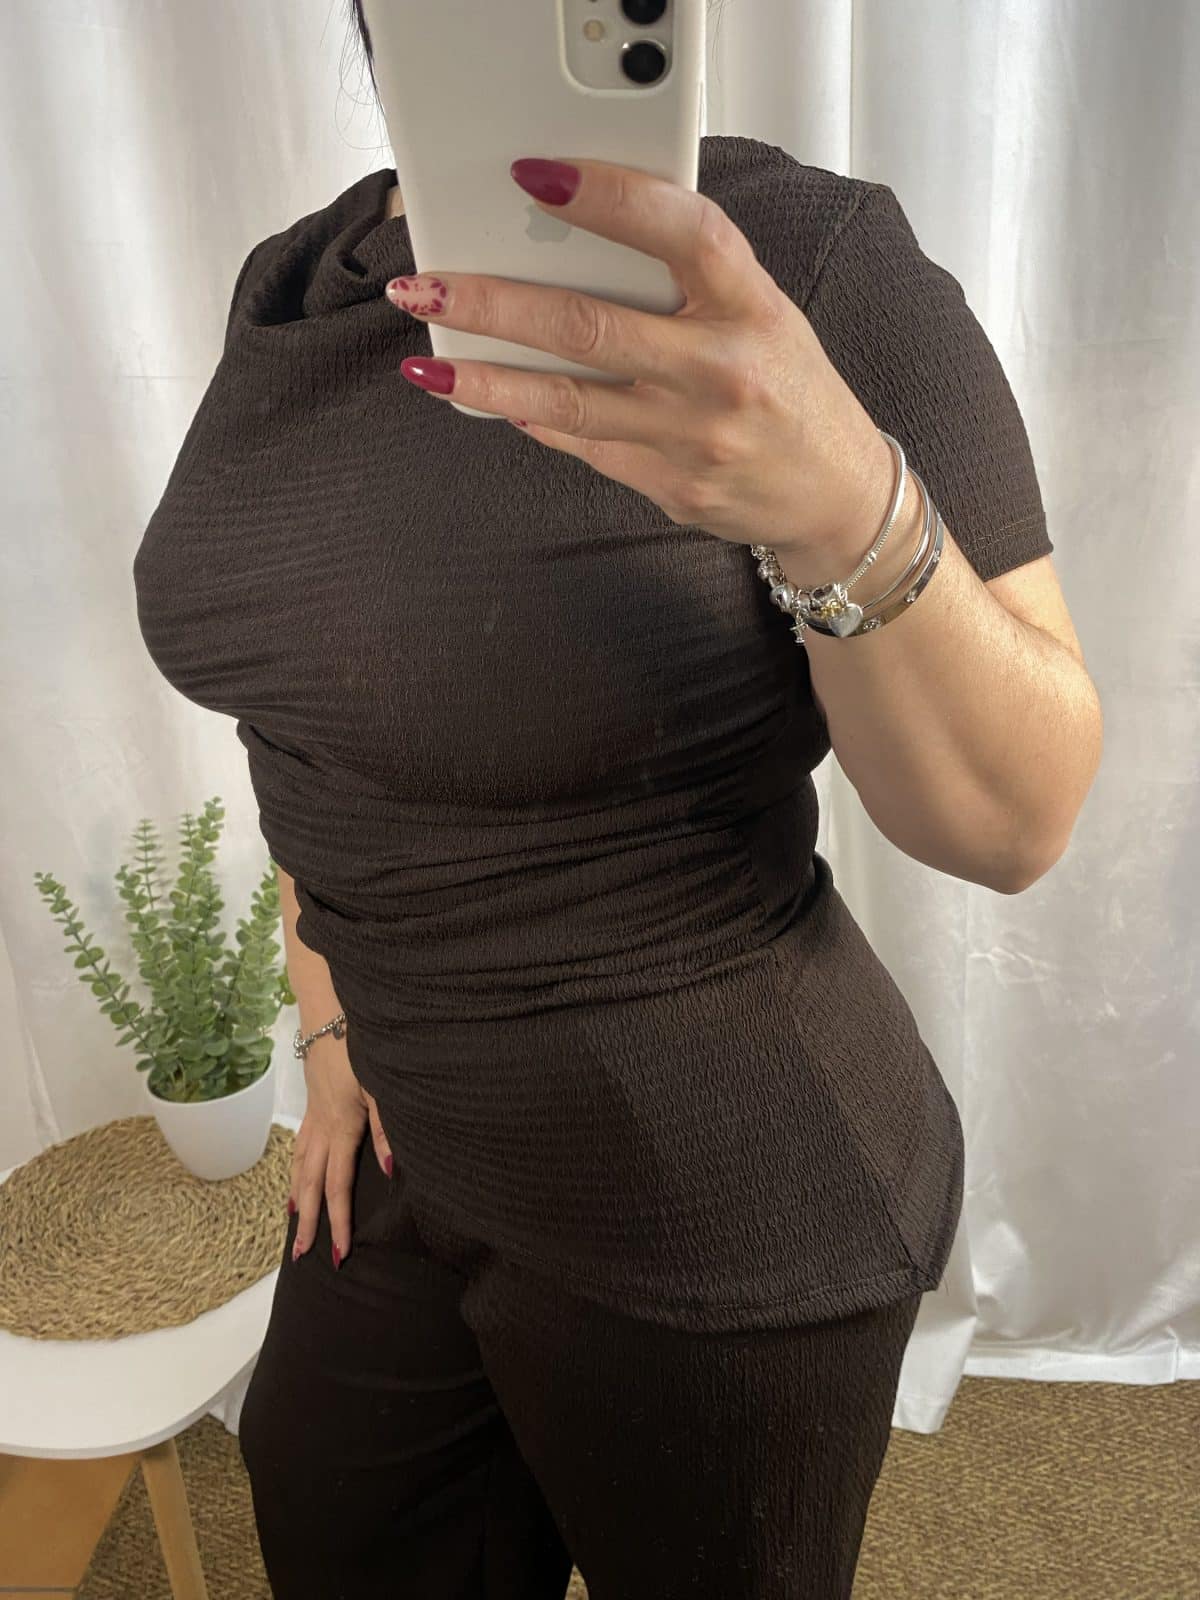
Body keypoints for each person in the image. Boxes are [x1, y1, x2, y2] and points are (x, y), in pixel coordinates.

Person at [131, 5, 1100, 1595]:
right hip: (409, 1141)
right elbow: (300, 709)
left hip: (712, 1193)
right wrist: (330, 1027)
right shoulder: (298, 286)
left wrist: (841, 503)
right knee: (325, 1517)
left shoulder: (814, 261)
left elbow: (1018, 819)